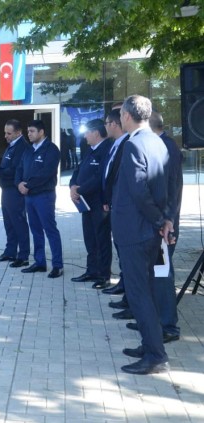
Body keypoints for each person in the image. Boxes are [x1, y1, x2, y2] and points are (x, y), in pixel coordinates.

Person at [113, 94, 173, 375]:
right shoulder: (159, 142)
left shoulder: (134, 144)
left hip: (136, 231)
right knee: (147, 291)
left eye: (121, 115)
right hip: (149, 231)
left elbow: (139, 190)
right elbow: (169, 186)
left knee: (139, 294)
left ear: (126, 116)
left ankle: (155, 356)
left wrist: (159, 219)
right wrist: (165, 219)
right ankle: (150, 344)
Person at [145, 111, 183, 343]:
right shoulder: (162, 145)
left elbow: (172, 190)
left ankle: (168, 326)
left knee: (161, 274)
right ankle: (154, 319)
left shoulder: (166, 147)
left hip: (163, 224)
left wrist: (166, 221)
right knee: (156, 273)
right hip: (159, 222)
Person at [15, 120, 64, 278]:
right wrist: (19, 184)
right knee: (35, 230)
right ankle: (40, 262)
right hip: (29, 197)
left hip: (44, 195)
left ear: (41, 132)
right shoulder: (28, 150)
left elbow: (47, 172)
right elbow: (20, 168)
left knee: (50, 229)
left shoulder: (52, 150)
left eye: (32, 131)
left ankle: (57, 265)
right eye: (28, 131)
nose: (29, 134)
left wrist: (28, 185)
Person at [68, 119, 112, 289]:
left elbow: (100, 177)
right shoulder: (89, 150)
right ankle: (91, 270)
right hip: (85, 202)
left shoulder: (107, 150)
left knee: (101, 238)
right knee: (89, 238)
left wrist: (79, 189)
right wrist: (73, 185)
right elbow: (78, 170)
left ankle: (103, 275)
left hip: (99, 202)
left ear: (96, 132)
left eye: (87, 132)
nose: (85, 136)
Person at [0, 119, 30, 267]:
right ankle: (10, 251)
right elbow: (7, 167)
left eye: (9, 133)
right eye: (5, 133)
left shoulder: (22, 147)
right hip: (6, 190)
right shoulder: (11, 146)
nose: (6, 136)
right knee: (9, 223)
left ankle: (23, 256)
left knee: (18, 222)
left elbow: (15, 170)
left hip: (15, 191)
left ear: (19, 132)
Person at [101, 109, 130, 298]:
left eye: (106, 123)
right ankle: (124, 283)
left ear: (114, 124)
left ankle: (127, 287)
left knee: (126, 251)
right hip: (112, 205)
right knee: (120, 247)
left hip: (123, 208)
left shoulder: (128, 144)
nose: (105, 127)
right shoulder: (114, 145)